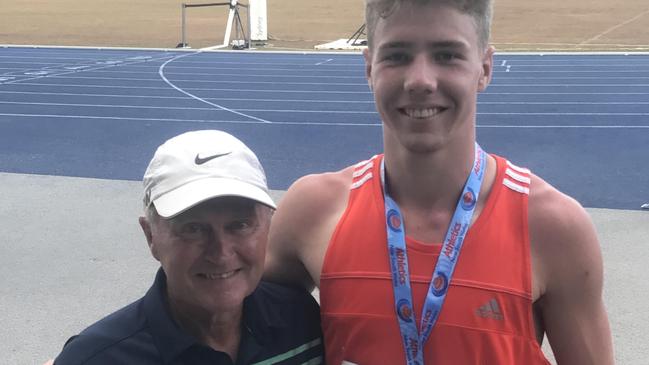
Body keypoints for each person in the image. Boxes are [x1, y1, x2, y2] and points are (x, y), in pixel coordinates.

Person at [264, 1, 614, 364]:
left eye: (447, 55)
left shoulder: (552, 226)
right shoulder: (312, 211)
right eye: (397, 56)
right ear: (369, 68)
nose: (420, 80)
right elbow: (228, 324)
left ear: (485, 68)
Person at [54, 130, 323, 364]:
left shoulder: (302, 322)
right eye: (193, 228)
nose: (221, 253)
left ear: (268, 227)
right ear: (150, 236)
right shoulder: (96, 358)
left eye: (240, 225)